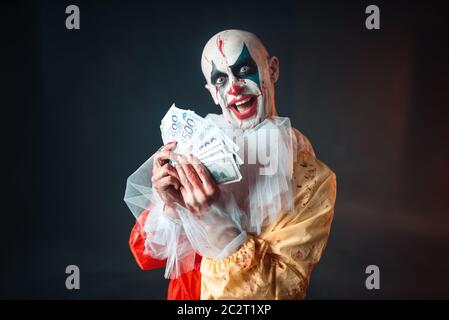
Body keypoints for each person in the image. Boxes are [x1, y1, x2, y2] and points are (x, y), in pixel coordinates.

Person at [124, 29, 337, 300]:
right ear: (212, 92)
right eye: (220, 79)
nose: (234, 88)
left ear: (272, 70)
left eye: (244, 69)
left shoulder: (312, 177)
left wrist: (213, 218)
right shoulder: (195, 150)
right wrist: (171, 207)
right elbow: (147, 255)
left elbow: (282, 290)